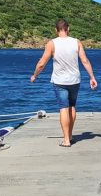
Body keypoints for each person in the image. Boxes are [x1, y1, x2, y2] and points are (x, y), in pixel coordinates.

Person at [30, 18, 97, 147]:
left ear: (56, 30)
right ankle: (70, 135)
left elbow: (42, 63)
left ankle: (66, 140)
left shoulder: (52, 43)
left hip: (59, 81)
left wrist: (34, 75)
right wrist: (92, 77)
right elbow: (85, 60)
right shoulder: (76, 42)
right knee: (72, 106)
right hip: (74, 80)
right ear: (68, 29)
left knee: (63, 108)